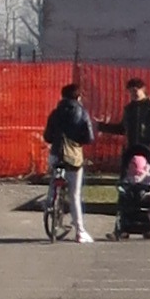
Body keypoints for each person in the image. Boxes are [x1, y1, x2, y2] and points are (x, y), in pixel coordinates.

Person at [43, 74, 97, 241]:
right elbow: (89, 137)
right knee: (74, 194)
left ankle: (50, 203)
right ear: (78, 97)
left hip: (56, 154)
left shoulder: (55, 112)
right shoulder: (82, 113)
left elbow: (47, 136)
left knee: (54, 183)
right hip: (73, 157)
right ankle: (80, 231)